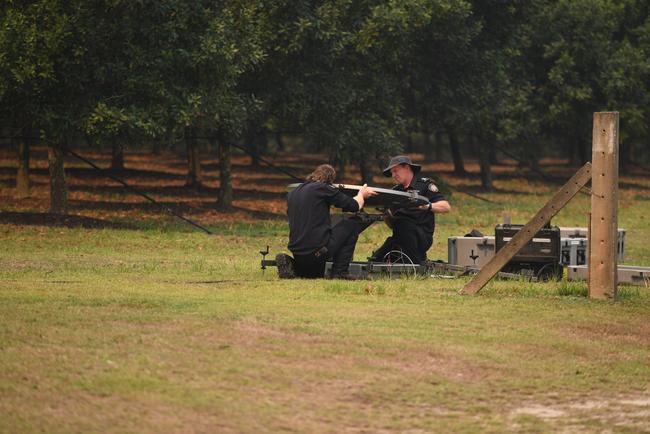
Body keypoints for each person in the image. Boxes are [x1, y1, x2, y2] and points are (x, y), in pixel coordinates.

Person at [276, 164, 376, 279]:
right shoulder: (323, 188)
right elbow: (354, 206)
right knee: (351, 225)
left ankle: (295, 266)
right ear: (330, 180)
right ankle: (340, 272)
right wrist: (361, 194)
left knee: (314, 272)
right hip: (318, 252)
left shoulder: (293, 193)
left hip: (298, 253)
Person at [371, 155, 451, 264]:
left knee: (404, 224)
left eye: (396, 171)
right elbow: (392, 225)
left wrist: (428, 206)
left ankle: (416, 263)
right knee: (377, 259)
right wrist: (386, 215)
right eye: (392, 173)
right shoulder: (396, 191)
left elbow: (446, 207)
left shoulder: (424, 185)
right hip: (401, 235)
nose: (393, 175)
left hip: (421, 236)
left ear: (407, 168)